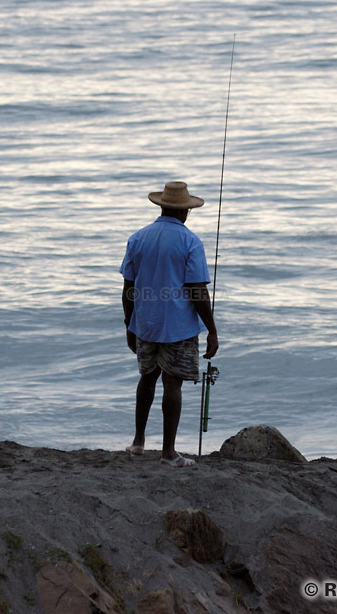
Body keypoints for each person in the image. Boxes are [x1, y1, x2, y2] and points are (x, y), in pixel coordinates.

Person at [120, 181, 219, 468]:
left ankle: (138, 442)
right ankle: (168, 452)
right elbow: (197, 289)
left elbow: (128, 287)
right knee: (172, 382)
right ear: (186, 211)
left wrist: (130, 323)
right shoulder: (190, 241)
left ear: (161, 206)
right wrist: (211, 329)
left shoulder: (138, 238)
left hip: (146, 322)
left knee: (147, 377)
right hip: (179, 326)